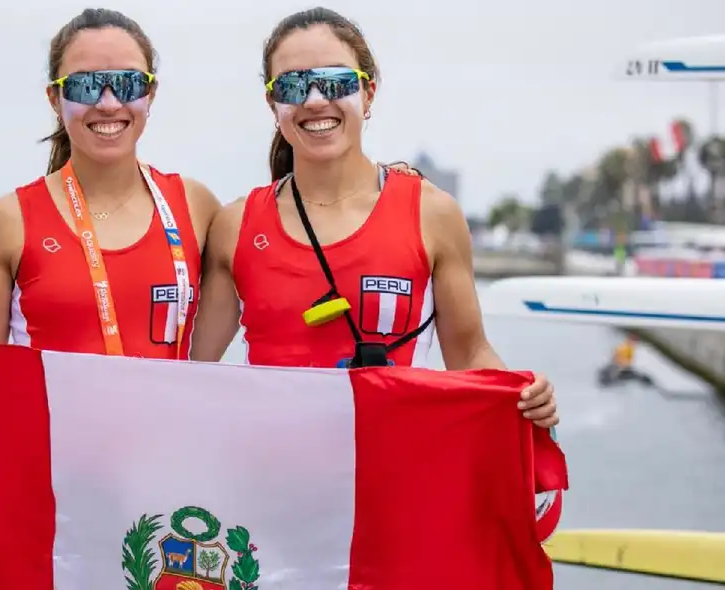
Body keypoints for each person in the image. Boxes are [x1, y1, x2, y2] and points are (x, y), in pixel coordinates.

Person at [191, 7, 558, 429]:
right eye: (292, 85)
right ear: (273, 103)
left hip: (394, 471)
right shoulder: (237, 226)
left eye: (336, 82)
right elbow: (191, 369)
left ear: (368, 93)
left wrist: (524, 395)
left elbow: (470, 356)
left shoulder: (430, 214)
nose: (314, 100)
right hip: (276, 478)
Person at [0, 8, 224, 379]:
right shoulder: (11, 221)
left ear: (151, 93)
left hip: (170, 436)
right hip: (48, 438)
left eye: (128, 83)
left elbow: (272, 305)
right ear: (55, 98)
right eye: (86, 85)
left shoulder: (196, 207)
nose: (109, 103)